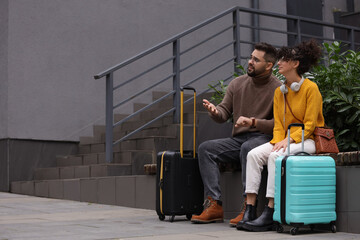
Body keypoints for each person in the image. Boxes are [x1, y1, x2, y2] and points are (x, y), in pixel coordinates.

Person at [237, 39, 324, 232]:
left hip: (307, 140)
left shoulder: (311, 89)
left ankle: (270, 212)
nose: (279, 63)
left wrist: (288, 140)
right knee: (253, 154)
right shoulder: (280, 92)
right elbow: (278, 125)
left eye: (284, 60)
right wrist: (278, 140)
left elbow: (310, 125)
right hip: (284, 140)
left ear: (295, 64)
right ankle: (249, 209)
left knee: (276, 157)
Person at [190, 42, 281, 226]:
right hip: (238, 139)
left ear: (269, 65)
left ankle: (248, 207)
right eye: (251, 57)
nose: (250, 62)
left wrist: (254, 122)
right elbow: (223, 113)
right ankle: (214, 205)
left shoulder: (278, 88)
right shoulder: (237, 83)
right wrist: (215, 112)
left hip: (262, 139)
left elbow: (278, 125)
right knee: (206, 149)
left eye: (256, 59)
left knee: (248, 148)